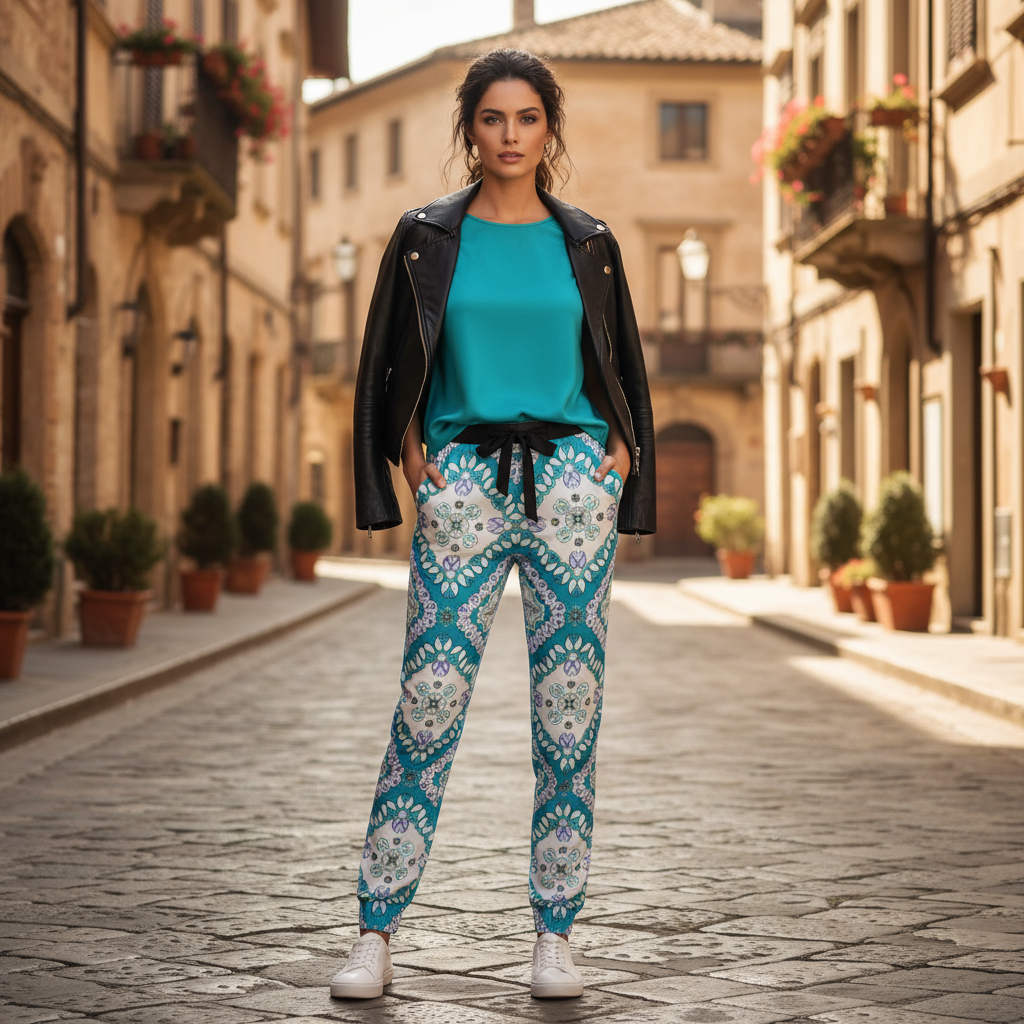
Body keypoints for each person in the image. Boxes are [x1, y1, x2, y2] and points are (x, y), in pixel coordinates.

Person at [330, 47, 655, 1001]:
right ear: (468, 129)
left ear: (550, 130)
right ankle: (375, 932)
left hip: (571, 485)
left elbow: (620, 359)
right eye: (491, 119)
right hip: (465, 483)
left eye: (528, 119)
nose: (510, 137)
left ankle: (556, 932)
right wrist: (403, 445)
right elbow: (385, 357)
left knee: (569, 716)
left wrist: (625, 451)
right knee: (427, 705)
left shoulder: (588, 239)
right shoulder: (427, 235)